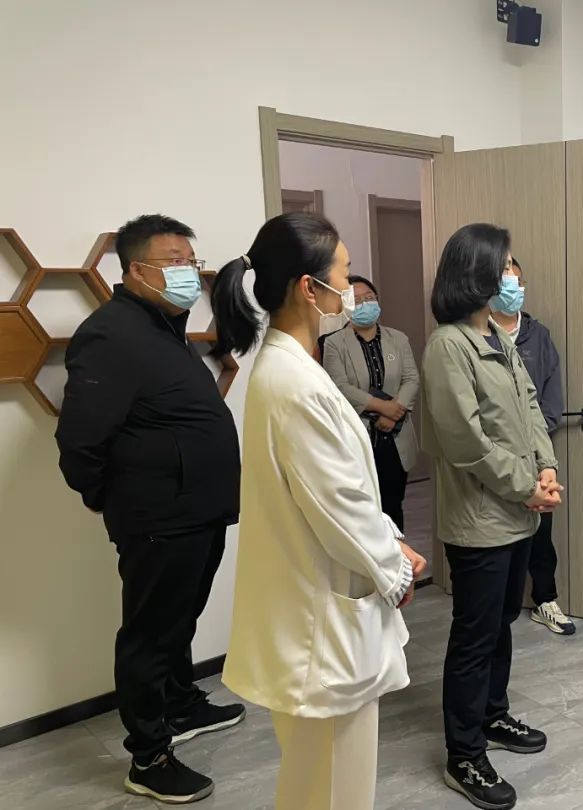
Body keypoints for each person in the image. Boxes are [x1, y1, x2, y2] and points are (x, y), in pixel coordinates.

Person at [208, 213, 427, 810]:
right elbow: (339, 506)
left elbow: (341, 490)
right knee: (332, 791)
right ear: (310, 287)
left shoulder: (291, 367)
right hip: (319, 631)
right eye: (345, 275)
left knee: (316, 785)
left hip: (315, 612)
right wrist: (395, 569)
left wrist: (389, 542)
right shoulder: (294, 383)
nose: (350, 290)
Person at [55, 214, 244, 804]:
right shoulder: (109, 334)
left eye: (191, 260)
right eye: (174, 261)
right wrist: (109, 498)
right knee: (149, 635)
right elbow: (80, 441)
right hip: (158, 517)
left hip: (198, 511)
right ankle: (148, 756)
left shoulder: (164, 327)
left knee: (179, 619)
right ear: (136, 269)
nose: (189, 271)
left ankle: (180, 703)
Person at [422, 223, 563, 810]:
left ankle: (492, 715)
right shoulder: (448, 345)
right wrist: (527, 487)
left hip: (518, 514)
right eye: (504, 266)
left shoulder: (498, 336)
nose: (512, 277)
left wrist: (547, 468)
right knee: (475, 635)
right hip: (481, 520)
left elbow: (530, 407)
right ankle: (463, 755)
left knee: (502, 621)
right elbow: (466, 442)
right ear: (476, 272)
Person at [489, 257, 575, 635]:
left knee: (541, 533)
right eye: (505, 281)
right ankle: (496, 604)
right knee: (498, 533)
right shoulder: (478, 336)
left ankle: (545, 600)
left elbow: (550, 400)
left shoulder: (538, 336)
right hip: (493, 457)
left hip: (536, 455)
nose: (513, 288)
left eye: (518, 281)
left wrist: (540, 448)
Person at [322, 275, 419, 532]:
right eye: (357, 300)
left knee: (393, 505)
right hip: (360, 436)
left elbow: (411, 379)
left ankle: (398, 554)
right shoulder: (334, 343)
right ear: (346, 305)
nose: (365, 304)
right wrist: (383, 407)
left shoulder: (398, 339)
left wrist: (394, 413)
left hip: (396, 437)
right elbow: (340, 387)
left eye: (370, 298)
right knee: (364, 510)